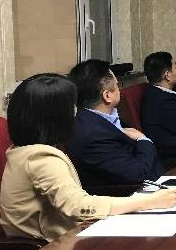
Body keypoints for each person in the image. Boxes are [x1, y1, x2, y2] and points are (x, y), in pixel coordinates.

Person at [0, 74, 176, 242]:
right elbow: (76, 206)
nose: (76, 112)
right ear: (55, 117)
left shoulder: (24, 149)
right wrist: (149, 202)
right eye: (71, 107)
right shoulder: (41, 158)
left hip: (63, 240)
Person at [66, 59, 165, 188]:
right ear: (107, 96)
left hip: (158, 180)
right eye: (117, 86)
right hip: (138, 193)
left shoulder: (102, 116)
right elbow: (138, 175)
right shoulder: (92, 135)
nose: (120, 90)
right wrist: (143, 140)